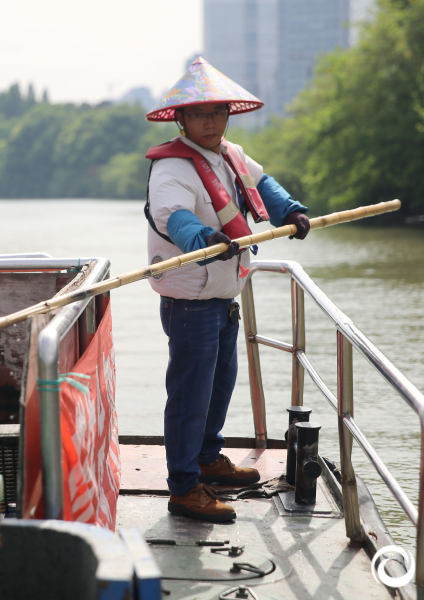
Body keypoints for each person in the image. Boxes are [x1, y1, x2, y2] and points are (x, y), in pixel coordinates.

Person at [144, 57, 311, 522]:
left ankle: (207, 459)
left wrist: (291, 211)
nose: (211, 121)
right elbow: (172, 216)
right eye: (200, 114)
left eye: (218, 112)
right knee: (190, 393)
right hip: (189, 299)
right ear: (180, 120)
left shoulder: (231, 155)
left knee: (219, 386)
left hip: (222, 296)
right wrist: (201, 240)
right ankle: (183, 486)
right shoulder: (171, 167)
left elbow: (262, 184)